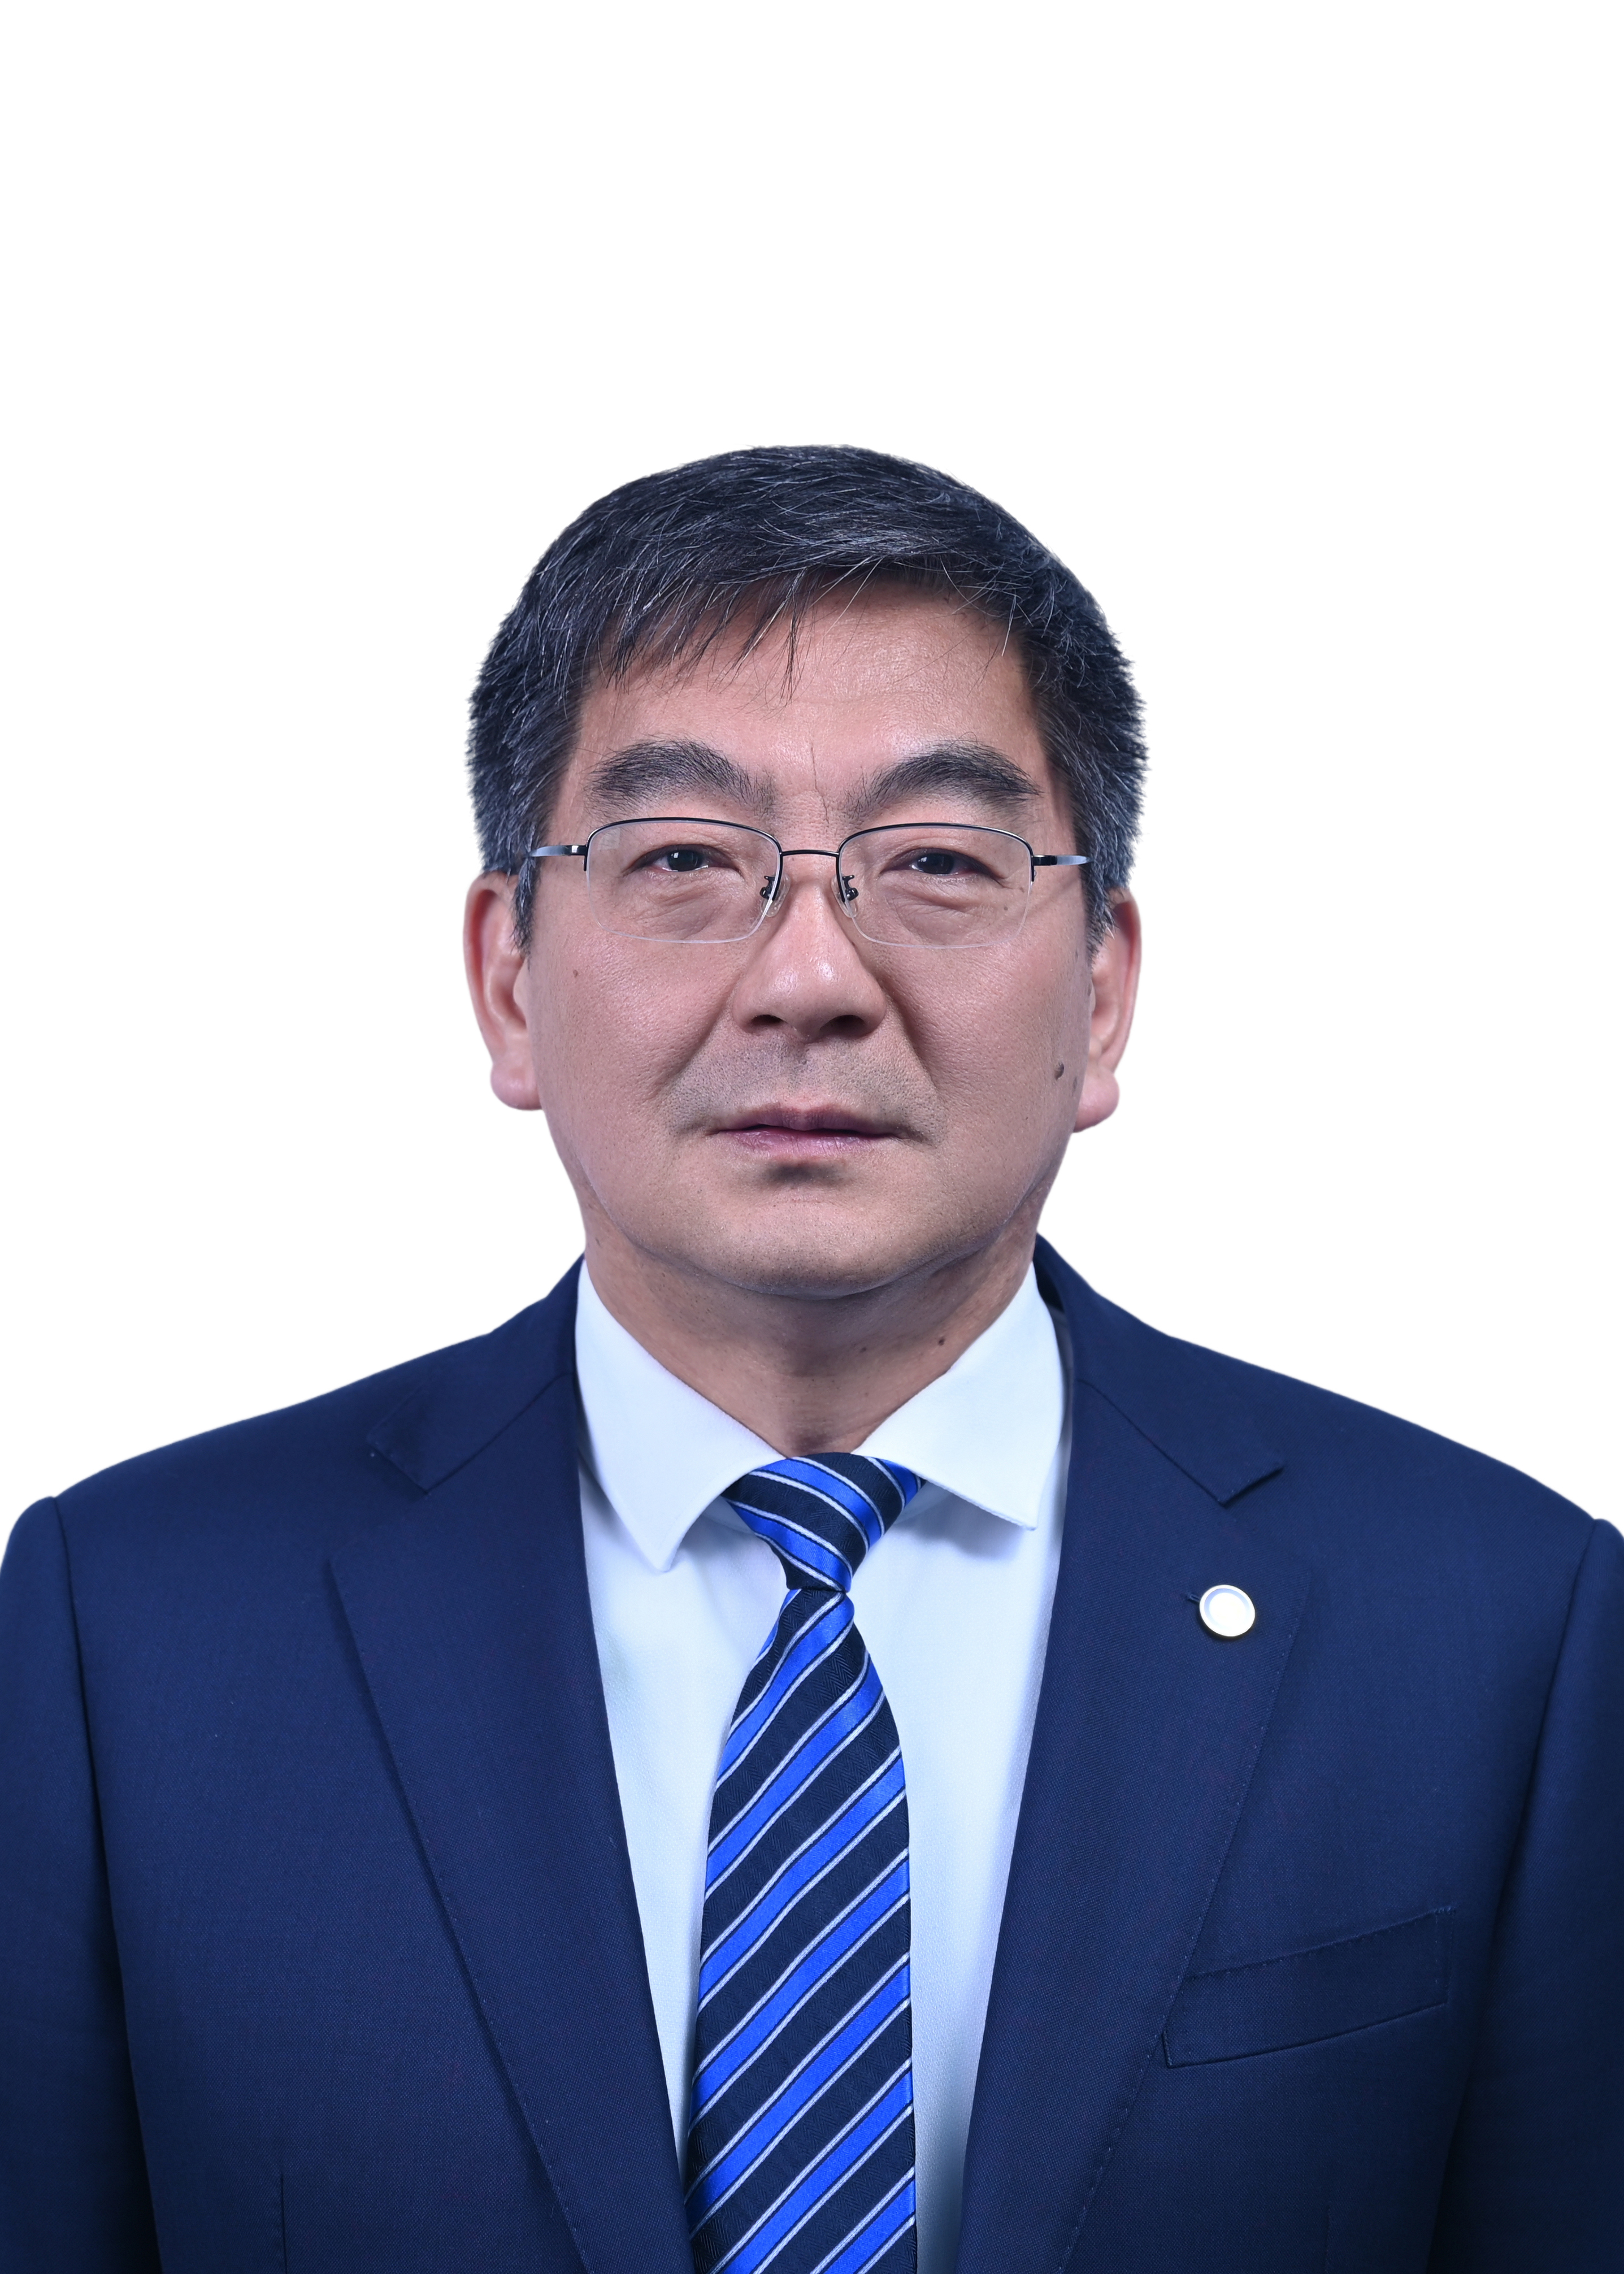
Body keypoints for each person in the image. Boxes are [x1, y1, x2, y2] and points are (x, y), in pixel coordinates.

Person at [1, 446, 1618, 2274]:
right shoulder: (128, 1630)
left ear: (1099, 993)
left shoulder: (1497, 1626)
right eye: (683, 861)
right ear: (509, 976)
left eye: (934, 865)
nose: (809, 980)